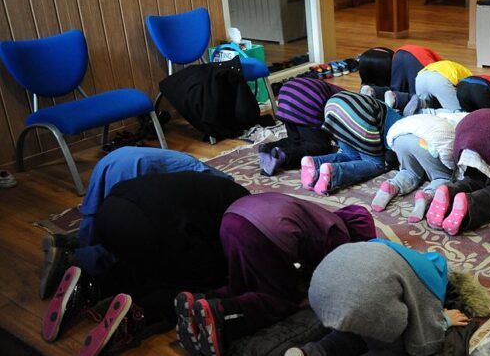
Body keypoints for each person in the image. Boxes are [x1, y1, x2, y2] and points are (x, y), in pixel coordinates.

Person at [42, 172, 249, 355]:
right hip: (148, 226)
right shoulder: (248, 217)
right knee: (205, 280)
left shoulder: (225, 190)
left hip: (110, 211)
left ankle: (90, 287)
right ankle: (139, 314)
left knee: (145, 261)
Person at [175, 192, 376, 356]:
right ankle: (223, 315)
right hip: (265, 231)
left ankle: (198, 304)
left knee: (243, 284)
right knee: (280, 299)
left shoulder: (322, 215)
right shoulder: (339, 234)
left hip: (233, 218)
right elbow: (330, 280)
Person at [40, 147, 230, 300]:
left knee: (99, 213)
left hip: (118, 157)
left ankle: (71, 246)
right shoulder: (225, 197)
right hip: (137, 166)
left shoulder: (214, 178)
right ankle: (76, 261)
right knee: (129, 237)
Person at [291, 239, 470, 356]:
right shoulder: (430, 281)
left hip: (321, 284)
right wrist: (444, 319)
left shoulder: (394, 251)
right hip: (366, 299)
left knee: (347, 334)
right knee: (387, 348)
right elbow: (423, 335)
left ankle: (307, 353)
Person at [301, 91, 402, 195]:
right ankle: (334, 172)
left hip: (334, 105)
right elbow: (392, 150)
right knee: (376, 164)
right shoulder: (400, 124)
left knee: (351, 156)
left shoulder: (387, 109)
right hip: (361, 116)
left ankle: (314, 162)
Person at [370, 112, 467, 222]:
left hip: (400, 136)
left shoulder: (441, 113)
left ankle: (392, 185)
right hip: (427, 142)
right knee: (443, 177)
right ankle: (427, 195)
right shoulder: (465, 123)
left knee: (409, 171)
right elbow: (453, 154)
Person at [258, 77, 343, 175]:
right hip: (305, 102)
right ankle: (284, 155)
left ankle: (268, 148)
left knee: (295, 141)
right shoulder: (344, 99)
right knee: (321, 147)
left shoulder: (335, 90)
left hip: (286, 96)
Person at [360, 45, 444, 110]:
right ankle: (396, 98)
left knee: (395, 89)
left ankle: (373, 91)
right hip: (414, 57)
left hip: (402, 52)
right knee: (422, 101)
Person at [404, 60, 473, 115]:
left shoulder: (454, 67)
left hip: (421, 76)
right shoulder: (471, 77)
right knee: (457, 114)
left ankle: (421, 104)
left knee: (426, 105)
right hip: (440, 79)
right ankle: (423, 112)